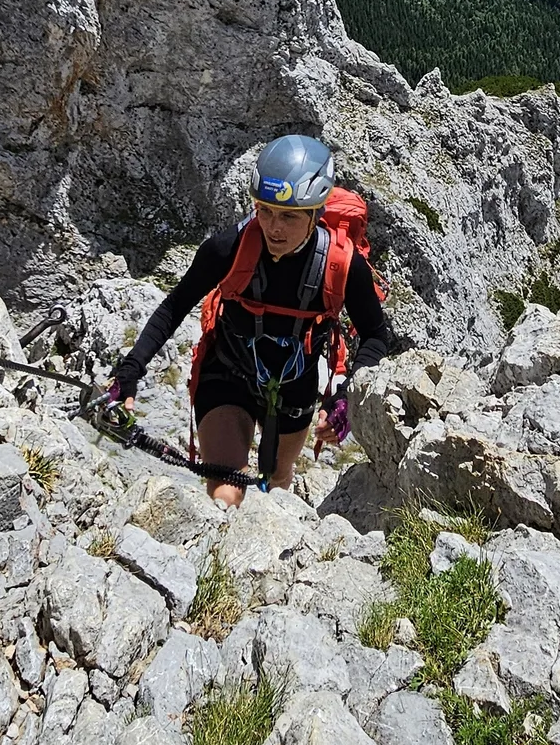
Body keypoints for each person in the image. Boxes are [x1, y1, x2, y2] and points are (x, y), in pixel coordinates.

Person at [107, 133, 390, 506]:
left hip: (296, 384)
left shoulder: (342, 264)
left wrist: (345, 399)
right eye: (265, 210)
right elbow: (174, 307)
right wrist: (130, 372)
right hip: (227, 372)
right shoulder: (229, 248)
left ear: (316, 214)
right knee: (226, 491)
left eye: (288, 216)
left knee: (277, 481)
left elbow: (374, 336)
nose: (273, 227)